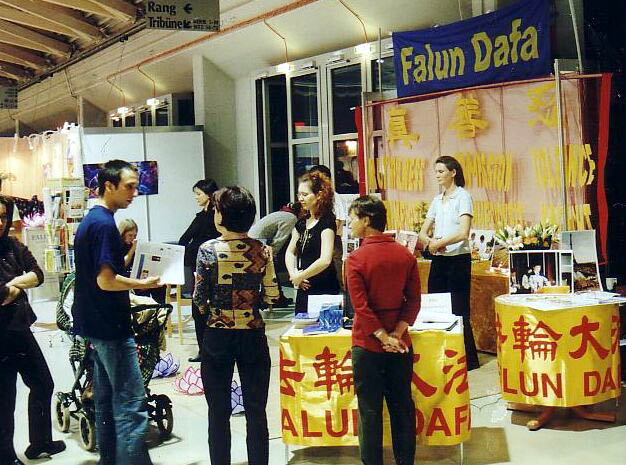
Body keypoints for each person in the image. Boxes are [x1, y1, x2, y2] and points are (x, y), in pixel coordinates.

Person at [72, 160, 161, 465]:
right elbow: (106, 280)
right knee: (131, 404)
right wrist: (142, 284)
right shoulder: (104, 225)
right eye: (129, 187)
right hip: (110, 326)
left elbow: (104, 274)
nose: (135, 192)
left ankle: (109, 459)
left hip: (95, 324)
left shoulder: (93, 220)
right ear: (108, 186)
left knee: (107, 400)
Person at [193, 186, 279, 465]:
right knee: (256, 410)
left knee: (218, 411)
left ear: (221, 216)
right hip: (253, 335)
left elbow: (199, 299)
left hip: (217, 336)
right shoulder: (262, 250)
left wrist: (212, 309)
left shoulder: (208, 250)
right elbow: (273, 295)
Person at [346, 195, 420, 465]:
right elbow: (414, 301)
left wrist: (381, 336)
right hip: (400, 345)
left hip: (367, 345)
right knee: (402, 407)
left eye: (352, 219)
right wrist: (397, 334)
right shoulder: (405, 255)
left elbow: (361, 307)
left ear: (366, 221)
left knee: (369, 411)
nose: (349, 224)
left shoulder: (355, 259)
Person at [0, 196, 66, 465]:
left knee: (42, 383)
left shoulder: (13, 245)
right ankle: (5, 457)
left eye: (3, 216)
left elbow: (38, 274)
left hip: (20, 329)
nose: (0, 222)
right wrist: (14, 288)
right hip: (1, 335)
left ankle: (40, 442)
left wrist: (14, 284)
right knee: (5, 397)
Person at [418, 155, 480, 370]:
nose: (437, 175)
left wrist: (441, 242)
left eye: (441, 171)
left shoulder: (463, 196)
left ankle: (467, 359)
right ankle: (441, 355)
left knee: (459, 307)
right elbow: (423, 232)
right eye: (435, 172)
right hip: (439, 258)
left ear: (453, 173)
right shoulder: (437, 200)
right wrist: (431, 243)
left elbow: (463, 232)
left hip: (458, 259)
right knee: (437, 305)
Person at [285, 172, 340, 314]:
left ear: (319, 195)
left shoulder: (327, 221)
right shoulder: (301, 223)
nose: (300, 199)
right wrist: (294, 275)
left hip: (324, 285)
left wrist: (301, 276)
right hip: (304, 285)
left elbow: (325, 259)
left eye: (305, 194)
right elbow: (290, 252)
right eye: (299, 194)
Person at [178, 179, 220, 362]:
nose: (196, 197)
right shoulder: (201, 215)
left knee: (204, 307)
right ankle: (203, 350)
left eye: (198, 194)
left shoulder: (216, 216)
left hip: (209, 267)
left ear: (209, 195)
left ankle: (208, 350)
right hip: (195, 265)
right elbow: (185, 238)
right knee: (198, 308)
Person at [248, 202, 303, 307]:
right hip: (258, 240)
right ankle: (275, 299)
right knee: (271, 269)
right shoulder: (291, 218)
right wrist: (273, 255)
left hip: (254, 238)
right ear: (300, 211)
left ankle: (277, 298)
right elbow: (280, 239)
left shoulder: (284, 213)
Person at [308, 165, 347, 289]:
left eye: (317, 177)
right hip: (320, 238)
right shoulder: (314, 197)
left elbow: (339, 220)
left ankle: (341, 291)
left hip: (332, 238)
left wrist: (331, 236)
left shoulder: (334, 197)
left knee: (335, 265)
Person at [118, 218, 166, 303]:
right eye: (130, 235)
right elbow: (122, 264)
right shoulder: (117, 245)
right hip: (124, 277)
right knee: (142, 289)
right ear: (123, 234)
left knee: (159, 285)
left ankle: (159, 307)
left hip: (137, 274)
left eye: (135, 235)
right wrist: (132, 249)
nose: (133, 238)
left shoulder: (133, 244)